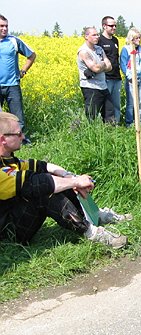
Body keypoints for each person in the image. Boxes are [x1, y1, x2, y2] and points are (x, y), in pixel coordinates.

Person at [0, 112, 128, 248]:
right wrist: (76, 182)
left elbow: (44, 166)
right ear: (3, 139)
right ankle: (92, 233)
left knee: (60, 181)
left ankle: (95, 215)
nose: (23, 137)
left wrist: (69, 176)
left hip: (12, 217)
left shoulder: (8, 159)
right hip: (7, 234)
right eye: (19, 134)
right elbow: (40, 182)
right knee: (45, 192)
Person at [0, 14, 36, 144]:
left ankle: (21, 141)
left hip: (12, 84)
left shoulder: (14, 41)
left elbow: (32, 55)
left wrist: (23, 71)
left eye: (6, 26)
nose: (4, 29)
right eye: (1, 26)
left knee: (17, 117)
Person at [77, 26, 115, 123]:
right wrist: (103, 64)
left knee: (109, 113)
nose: (97, 37)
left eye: (97, 34)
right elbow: (96, 68)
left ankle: (110, 131)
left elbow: (109, 66)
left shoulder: (99, 49)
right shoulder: (84, 51)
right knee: (91, 115)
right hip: (90, 87)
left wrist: (100, 65)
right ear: (86, 37)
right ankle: (88, 131)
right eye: (94, 35)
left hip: (103, 86)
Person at [120, 27, 141, 127]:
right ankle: (129, 122)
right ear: (131, 38)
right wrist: (130, 77)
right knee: (131, 102)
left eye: (140, 37)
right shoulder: (126, 49)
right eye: (136, 38)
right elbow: (123, 65)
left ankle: (139, 121)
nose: (139, 40)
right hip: (131, 80)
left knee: (139, 101)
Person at [98, 16, 122, 123]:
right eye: (111, 25)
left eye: (115, 25)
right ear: (104, 26)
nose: (114, 28)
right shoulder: (99, 40)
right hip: (106, 78)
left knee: (116, 104)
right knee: (106, 104)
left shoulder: (115, 40)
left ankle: (116, 124)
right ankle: (106, 125)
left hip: (117, 77)